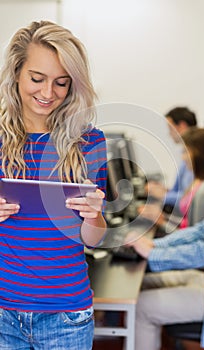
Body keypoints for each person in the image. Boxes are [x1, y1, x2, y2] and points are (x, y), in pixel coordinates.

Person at [0, 21, 107, 350]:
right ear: (16, 72)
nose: (48, 94)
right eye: (37, 79)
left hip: (66, 316)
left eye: (61, 83)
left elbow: (92, 238)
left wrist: (93, 217)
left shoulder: (90, 142)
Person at [126, 130, 204, 350]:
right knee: (137, 288)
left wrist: (154, 253)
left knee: (140, 306)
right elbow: (202, 230)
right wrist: (155, 245)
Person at [140, 127, 204, 232]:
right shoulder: (198, 180)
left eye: (186, 151)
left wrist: (162, 223)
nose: (183, 157)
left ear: (199, 154)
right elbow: (187, 223)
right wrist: (163, 218)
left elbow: (196, 237)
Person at [146, 106, 197, 212]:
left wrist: (165, 196)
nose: (169, 134)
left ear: (182, 126)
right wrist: (164, 190)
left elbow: (190, 198)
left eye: (170, 128)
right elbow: (180, 190)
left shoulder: (196, 156)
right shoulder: (185, 155)